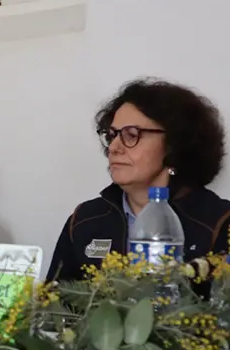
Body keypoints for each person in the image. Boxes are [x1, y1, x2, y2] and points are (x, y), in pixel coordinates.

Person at [47, 78, 230, 282]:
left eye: (132, 135)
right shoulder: (85, 220)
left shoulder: (219, 222)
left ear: (174, 144)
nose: (114, 147)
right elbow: (52, 307)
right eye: (112, 135)